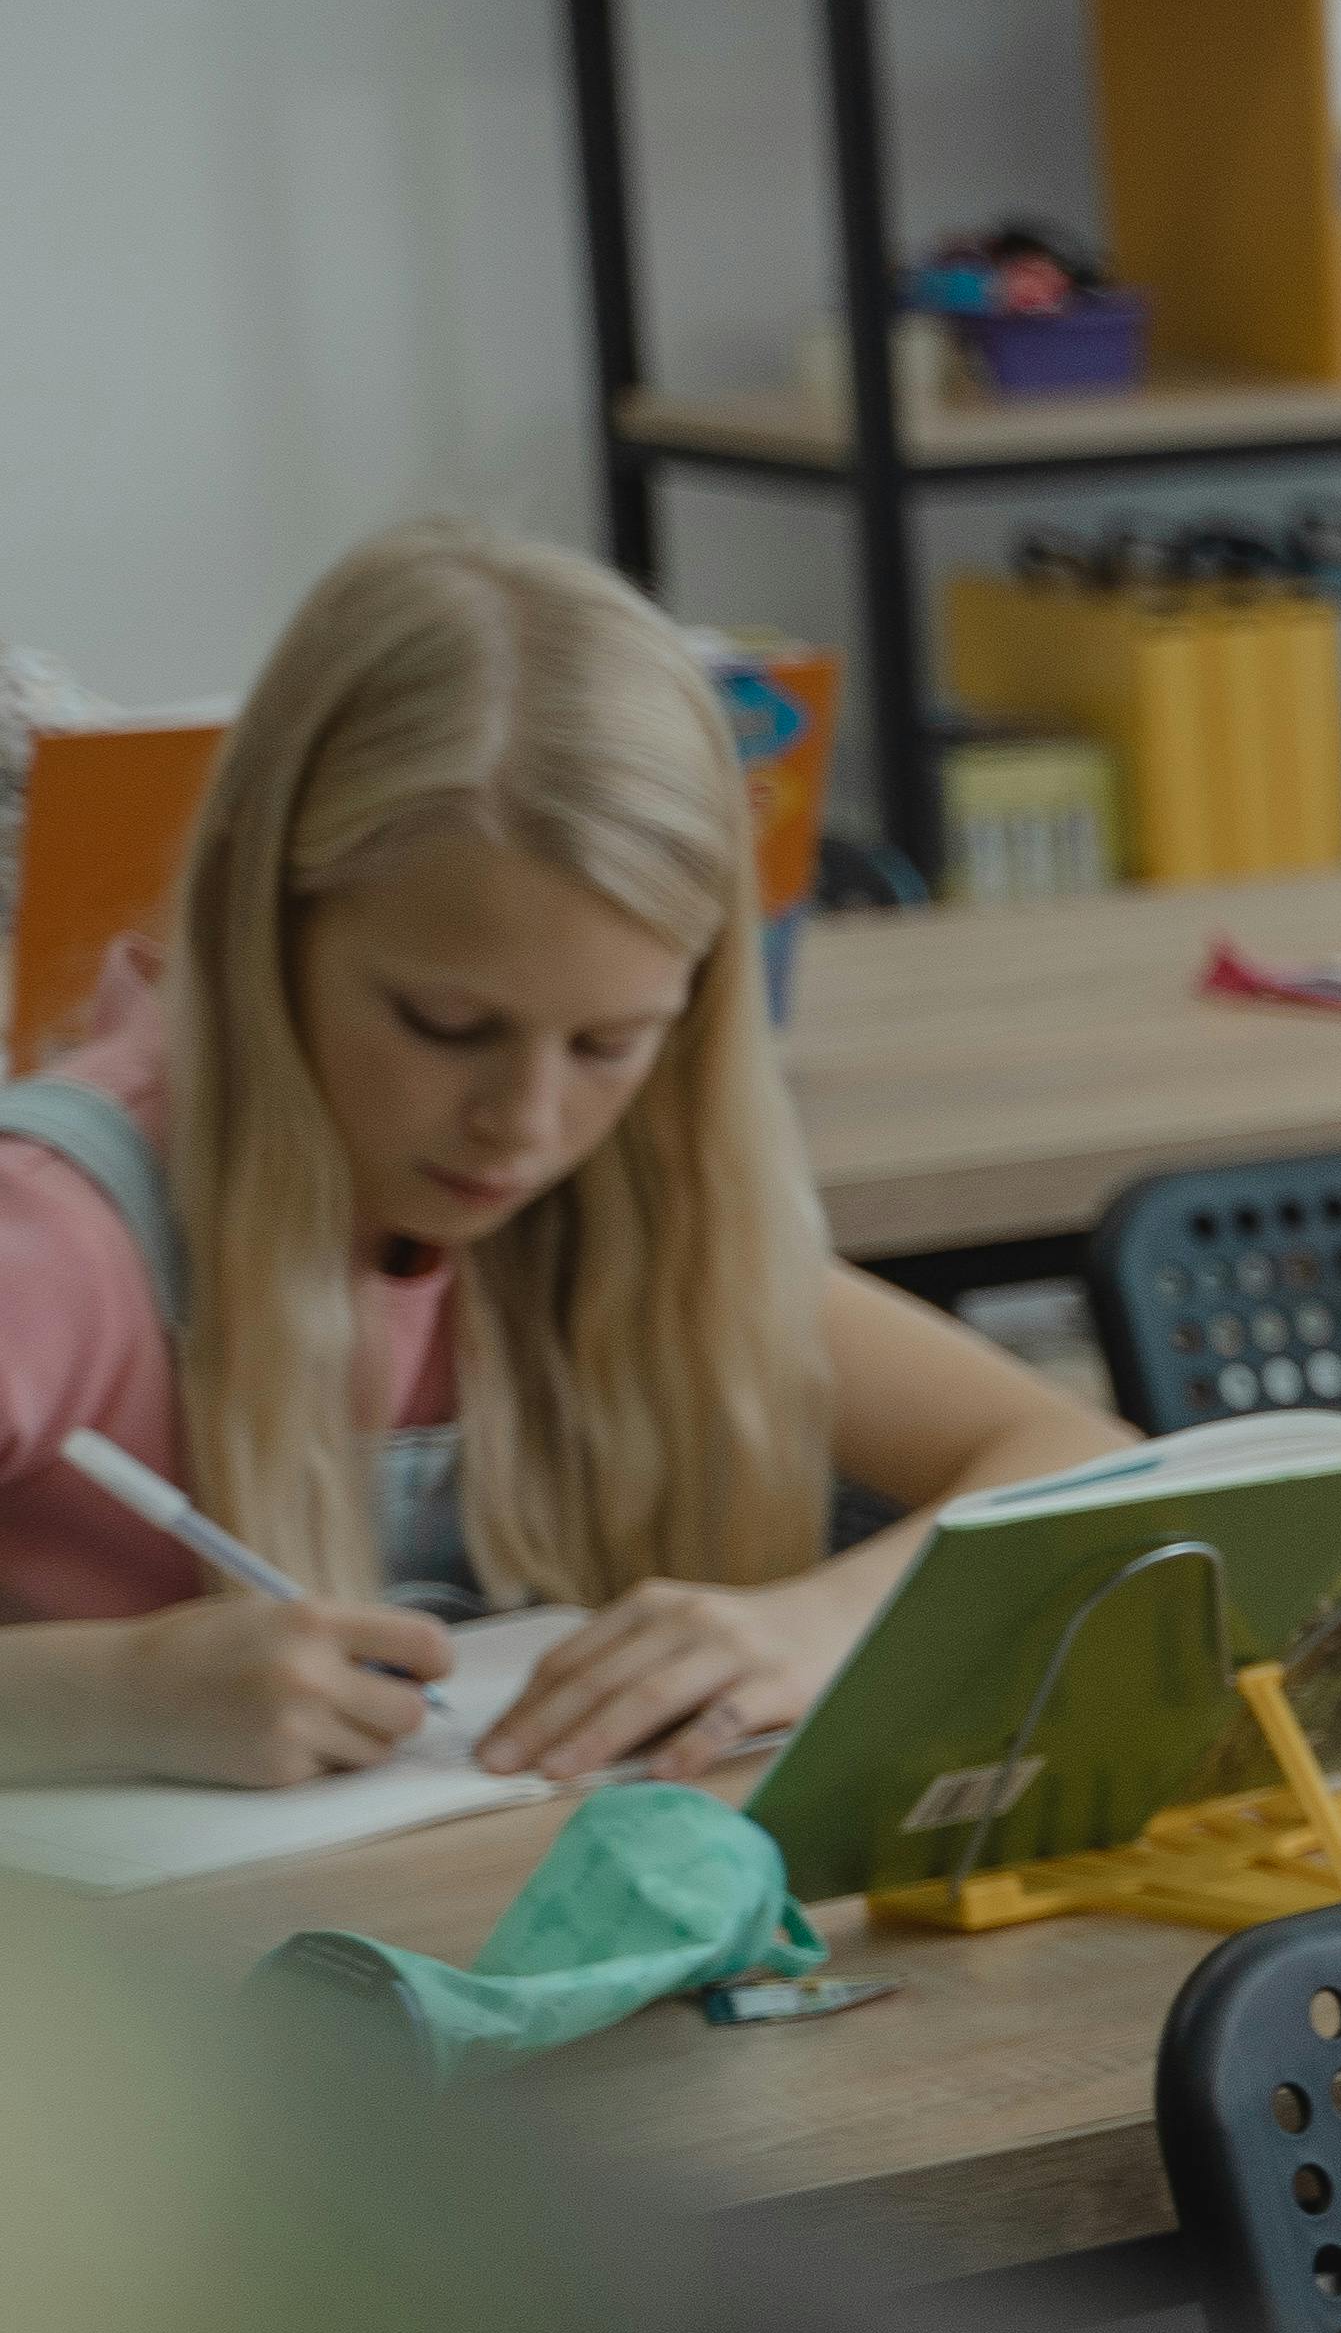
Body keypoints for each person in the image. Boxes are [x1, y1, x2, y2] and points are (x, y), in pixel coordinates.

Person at [0, 521, 1126, 1791]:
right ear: (268, 929)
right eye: (447, 1026)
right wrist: (103, 1696)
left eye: (609, 1042)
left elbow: (1080, 1456)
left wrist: (819, 1618)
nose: (524, 1125)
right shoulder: (58, 1233)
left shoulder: (624, 1189)